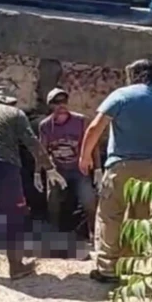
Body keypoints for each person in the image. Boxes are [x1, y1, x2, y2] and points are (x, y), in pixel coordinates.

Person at [79, 59, 152, 284]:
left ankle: (108, 269)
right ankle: (132, 265)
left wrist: (85, 156)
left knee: (110, 215)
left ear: (134, 75)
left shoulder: (122, 95)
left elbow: (95, 127)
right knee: (140, 218)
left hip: (122, 165)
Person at [0, 86, 66, 280]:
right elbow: (32, 143)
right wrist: (49, 168)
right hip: (5, 167)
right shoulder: (15, 113)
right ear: (9, 101)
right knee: (14, 215)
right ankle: (16, 267)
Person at [37, 88, 98, 237]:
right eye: (57, 102)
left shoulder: (80, 121)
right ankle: (54, 233)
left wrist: (98, 169)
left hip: (79, 168)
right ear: (50, 105)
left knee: (89, 201)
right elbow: (42, 150)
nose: (61, 105)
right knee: (53, 200)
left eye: (64, 101)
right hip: (58, 169)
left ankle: (93, 233)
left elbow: (93, 144)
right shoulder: (45, 125)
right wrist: (38, 172)